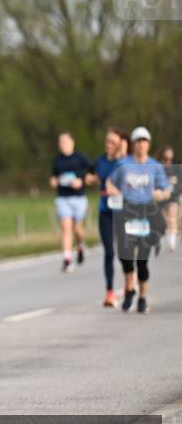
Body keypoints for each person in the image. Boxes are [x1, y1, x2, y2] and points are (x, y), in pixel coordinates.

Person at [106, 127, 171, 314]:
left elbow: (165, 189)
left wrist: (160, 193)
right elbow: (111, 183)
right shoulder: (123, 164)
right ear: (133, 144)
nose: (141, 145)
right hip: (127, 211)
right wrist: (115, 191)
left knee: (142, 261)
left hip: (147, 213)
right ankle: (129, 289)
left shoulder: (155, 167)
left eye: (144, 141)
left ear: (149, 144)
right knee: (126, 257)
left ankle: (142, 297)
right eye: (138, 141)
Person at [89, 127, 128, 306]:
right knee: (109, 252)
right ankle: (110, 292)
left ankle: (130, 284)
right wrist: (90, 179)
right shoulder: (101, 161)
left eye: (113, 142)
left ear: (121, 143)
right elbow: (94, 175)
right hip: (105, 210)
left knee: (124, 252)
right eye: (107, 141)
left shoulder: (126, 161)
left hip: (124, 211)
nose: (109, 145)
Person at [50, 132, 91, 273]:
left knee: (77, 229)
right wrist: (53, 181)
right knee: (66, 228)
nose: (63, 144)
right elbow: (54, 176)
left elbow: (92, 174)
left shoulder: (81, 158)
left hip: (79, 198)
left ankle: (80, 245)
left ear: (72, 142)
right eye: (60, 142)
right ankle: (67, 260)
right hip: (63, 197)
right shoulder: (57, 160)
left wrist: (81, 181)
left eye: (65, 141)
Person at [156, 146, 179, 252]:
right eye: (166, 159)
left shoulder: (177, 169)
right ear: (162, 158)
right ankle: (166, 232)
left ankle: (172, 243)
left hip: (173, 197)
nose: (168, 161)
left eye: (171, 159)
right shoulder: (158, 170)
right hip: (162, 198)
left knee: (172, 217)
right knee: (164, 220)